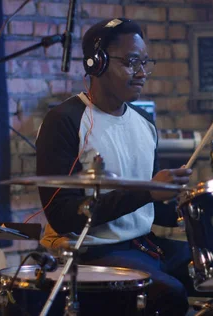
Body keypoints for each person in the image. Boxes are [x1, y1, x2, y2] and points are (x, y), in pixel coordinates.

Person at [35, 18, 194, 315]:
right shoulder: (65, 121)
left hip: (143, 245)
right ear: (97, 64)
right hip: (93, 252)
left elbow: (149, 210)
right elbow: (61, 215)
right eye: (132, 62)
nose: (142, 73)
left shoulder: (145, 126)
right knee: (169, 294)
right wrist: (147, 191)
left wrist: (194, 208)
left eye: (145, 62)